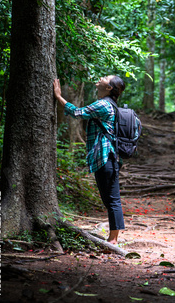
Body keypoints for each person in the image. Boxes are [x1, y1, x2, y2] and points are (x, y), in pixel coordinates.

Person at [53, 75, 126, 245]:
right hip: (108, 157)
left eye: (106, 77)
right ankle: (113, 238)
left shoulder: (104, 104)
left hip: (105, 157)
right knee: (110, 199)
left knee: (112, 199)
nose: (102, 77)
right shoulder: (110, 104)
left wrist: (58, 97)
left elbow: (78, 113)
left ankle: (113, 240)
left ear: (109, 88)